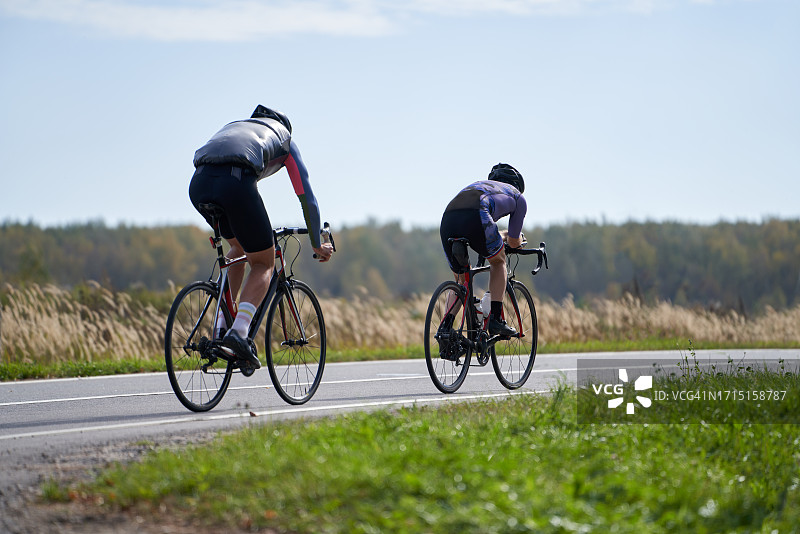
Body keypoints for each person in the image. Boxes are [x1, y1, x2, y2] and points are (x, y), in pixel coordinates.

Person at [189, 105, 333, 370]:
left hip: (199, 183)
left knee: (240, 248)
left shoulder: (238, 126)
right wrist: (315, 242)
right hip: (234, 184)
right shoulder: (284, 140)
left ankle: (223, 323)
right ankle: (240, 331)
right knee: (263, 262)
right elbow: (307, 198)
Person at [439, 163, 527, 337]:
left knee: (461, 281)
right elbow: (514, 241)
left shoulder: (481, 185)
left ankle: (445, 329)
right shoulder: (518, 197)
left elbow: (484, 228)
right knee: (498, 260)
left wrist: (499, 236)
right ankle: (496, 319)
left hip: (449, 217)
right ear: (517, 185)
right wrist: (515, 240)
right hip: (478, 214)